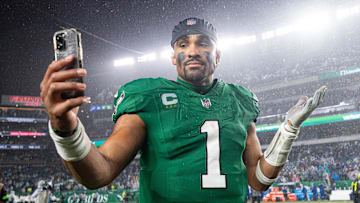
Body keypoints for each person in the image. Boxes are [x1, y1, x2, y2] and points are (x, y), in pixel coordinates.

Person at [40, 17, 327, 202]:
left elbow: (259, 180)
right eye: (182, 44)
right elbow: (99, 173)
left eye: (203, 43)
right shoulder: (148, 96)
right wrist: (65, 127)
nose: (192, 50)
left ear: (217, 56)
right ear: (172, 57)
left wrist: (289, 130)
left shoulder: (239, 100)